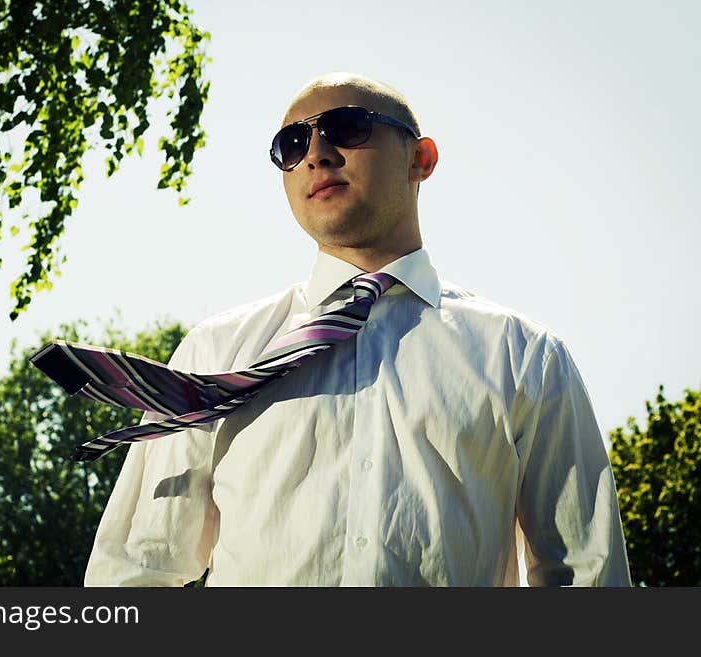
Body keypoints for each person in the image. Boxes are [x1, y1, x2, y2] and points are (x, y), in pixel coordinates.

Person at [83, 72, 632, 586]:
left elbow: (585, 574)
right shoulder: (215, 353)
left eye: (346, 128)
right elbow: (135, 570)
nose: (317, 154)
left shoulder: (522, 355)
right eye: (291, 146)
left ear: (421, 158)